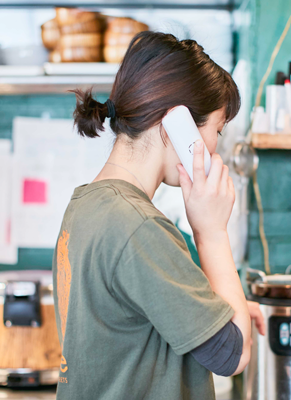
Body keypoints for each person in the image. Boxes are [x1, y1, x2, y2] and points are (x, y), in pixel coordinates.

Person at [52, 31, 264, 400]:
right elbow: (233, 353)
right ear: (178, 125)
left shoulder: (87, 206)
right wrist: (211, 230)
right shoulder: (139, 226)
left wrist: (213, 309)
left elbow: (128, 313)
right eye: (217, 130)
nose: (216, 147)